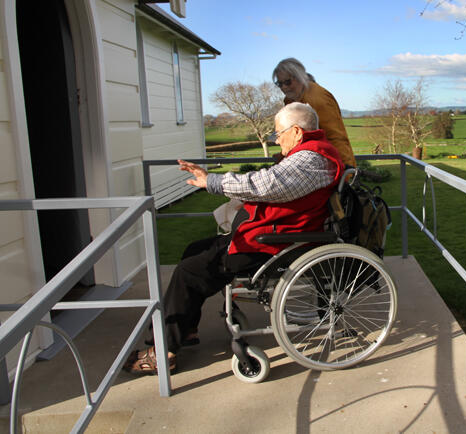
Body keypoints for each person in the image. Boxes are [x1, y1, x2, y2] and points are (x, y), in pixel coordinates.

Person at [124, 103, 344, 373]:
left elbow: (266, 184)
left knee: (188, 272)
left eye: (279, 133)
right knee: (194, 250)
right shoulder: (312, 154)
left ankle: (163, 351)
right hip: (272, 236)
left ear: (297, 131)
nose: (276, 140)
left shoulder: (310, 159)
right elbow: (270, 182)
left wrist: (212, 181)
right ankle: (186, 328)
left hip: (273, 245)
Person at [273, 57, 356, 167]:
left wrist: (346, 169)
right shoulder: (290, 99)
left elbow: (335, 136)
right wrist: (284, 155)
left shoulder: (319, 99)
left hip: (329, 164)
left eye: (288, 82)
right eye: (279, 84)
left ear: (300, 77)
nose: (284, 87)